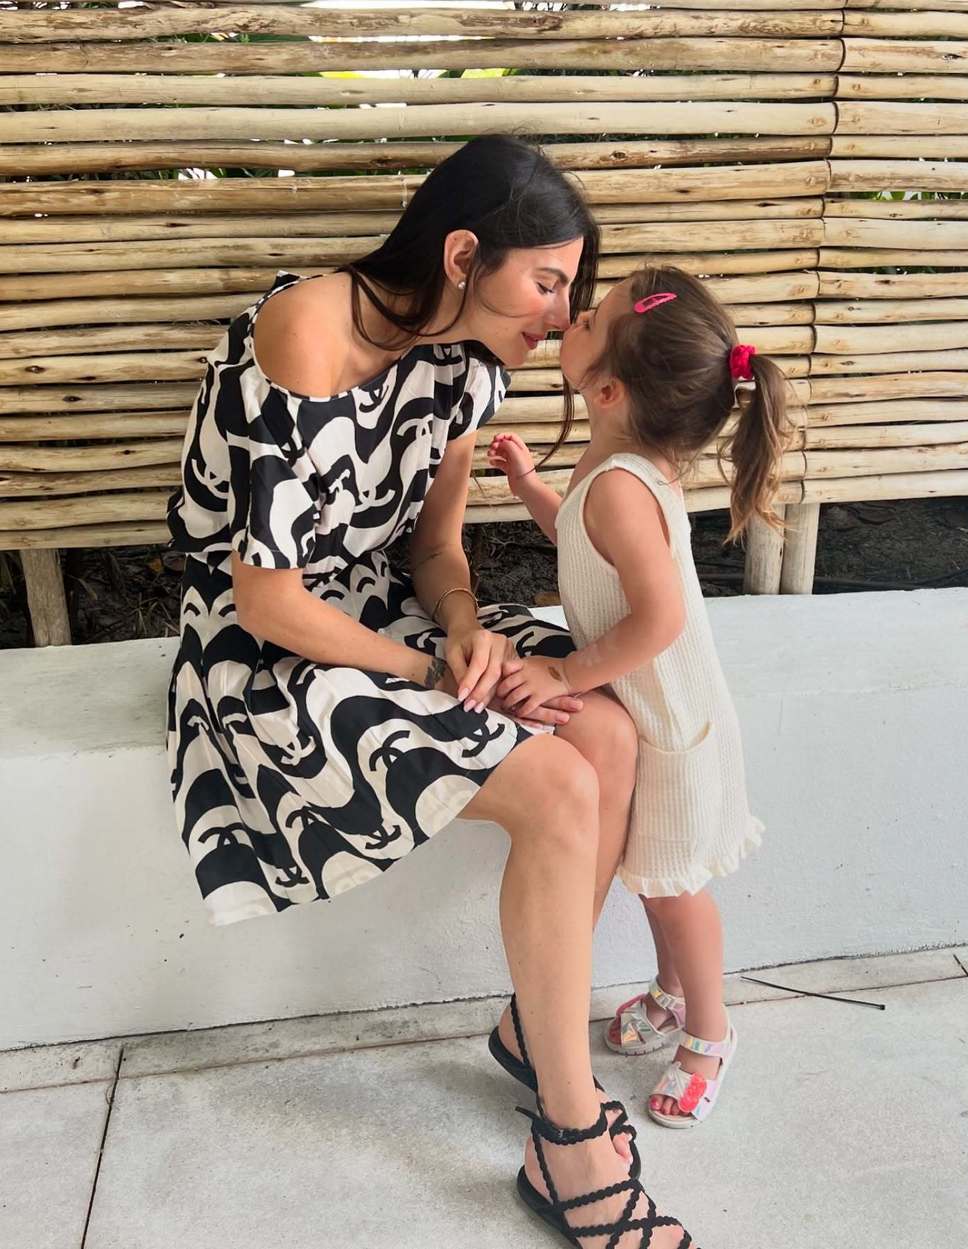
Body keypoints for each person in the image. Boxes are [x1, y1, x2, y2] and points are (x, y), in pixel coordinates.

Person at [166, 138, 697, 1247]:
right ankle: (567, 1137)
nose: (562, 316)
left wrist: (465, 633)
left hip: (389, 617)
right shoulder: (306, 331)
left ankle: (533, 1032)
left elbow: (437, 551)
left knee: (605, 730)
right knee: (557, 784)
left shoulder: (467, 366)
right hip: (266, 650)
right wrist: (429, 670)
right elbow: (267, 597)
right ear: (463, 255)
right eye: (546, 281)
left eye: (570, 290)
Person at [488, 263, 790, 1132]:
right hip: (654, 715)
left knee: (673, 890)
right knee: (655, 879)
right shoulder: (617, 462)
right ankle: (668, 989)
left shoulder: (624, 485)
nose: (573, 316)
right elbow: (583, 541)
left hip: (673, 729)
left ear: (608, 390)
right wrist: (533, 490)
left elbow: (658, 620)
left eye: (591, 320)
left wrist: (563, 673)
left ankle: (710, 1031)